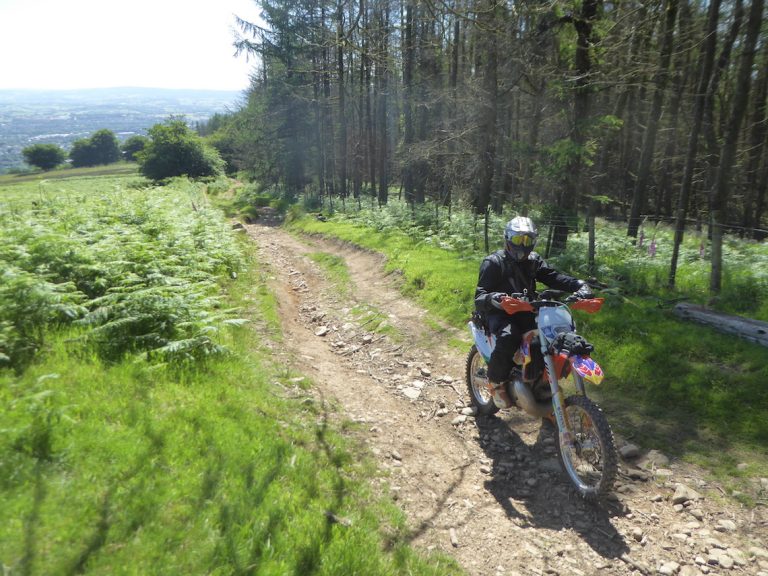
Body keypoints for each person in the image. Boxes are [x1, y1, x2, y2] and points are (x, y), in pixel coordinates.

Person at [474, 216, 592, 408]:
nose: (523, 245)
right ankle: (495, 382)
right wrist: (496, 299)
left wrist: (579, 285)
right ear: (507, 239)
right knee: (509, 336)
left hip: (527, 309)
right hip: (501, 313)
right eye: (519, 239)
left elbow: (555, 277)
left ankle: (540, 381)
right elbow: (480, 296)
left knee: (553, 337)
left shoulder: (534, 261)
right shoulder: (493, 262)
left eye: (527, 240)